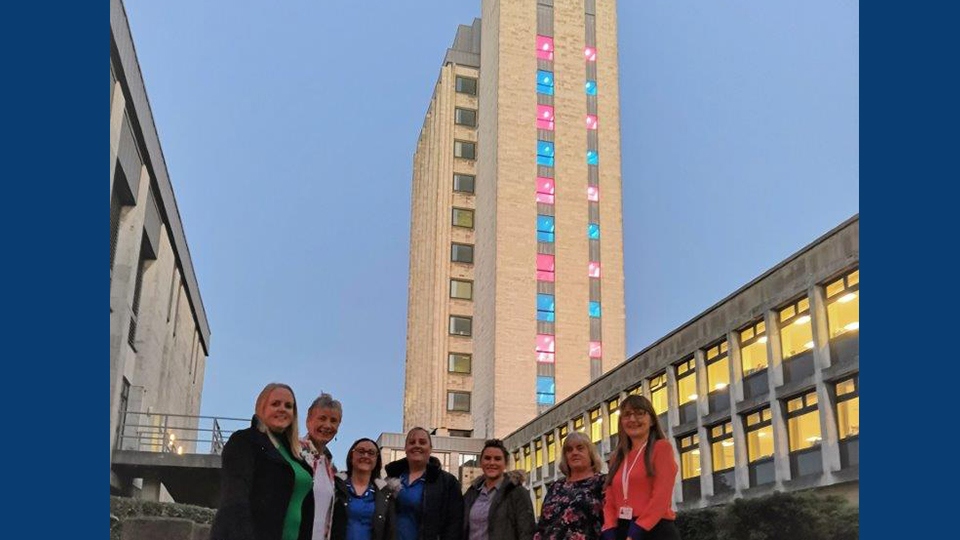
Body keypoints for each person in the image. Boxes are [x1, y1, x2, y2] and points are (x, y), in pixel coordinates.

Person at [210, 383, 314, 540]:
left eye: (288, 406)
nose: (282, 409)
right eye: (275, 404)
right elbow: (234, 500)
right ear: (261, 408)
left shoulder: (296, 456)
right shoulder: (244, 441)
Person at [601, 395, 680, 540]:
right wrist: (609, 528)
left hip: (654, 529)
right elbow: (610, 498)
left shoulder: (661, 448)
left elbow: (661, 496)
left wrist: (638, 530)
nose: (632, 419)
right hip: (623, 528)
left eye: (639, 413)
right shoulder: (616, 458)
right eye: (626, 415)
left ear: (651, 420)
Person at [384, 427, 464, 540]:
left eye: (422, 442)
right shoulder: (390, 479)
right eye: (412, 442)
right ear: (405, 448)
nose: (417, 445)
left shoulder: (448, 483)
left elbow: (454, 526)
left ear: (430, 449)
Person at [534, 432, 606, 540]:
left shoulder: (602, 482)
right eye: (569, 450)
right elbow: (542, 526)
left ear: (590, 453)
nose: (574, 452)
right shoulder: (556, 487)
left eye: (580, 448)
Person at [463, 439, 536, 540]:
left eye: (497, 459)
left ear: (505, 463)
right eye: (487, 458)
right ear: (481, 462)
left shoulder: (517, 493)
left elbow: (527, 532)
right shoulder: (472, 493)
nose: (492, 463)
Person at [332, 438, 397, 540]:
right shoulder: (334, 486)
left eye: (371, 453)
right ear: (351, 456)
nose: (365, 456)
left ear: (377, 459)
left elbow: (390, 532)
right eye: (361, 451)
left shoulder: (386, 494)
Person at [301, 393, 344, 540]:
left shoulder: (330, 468)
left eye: (334, 421)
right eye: (322, 418)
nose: (327, 425)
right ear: (308, 420)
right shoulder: (293, 451)